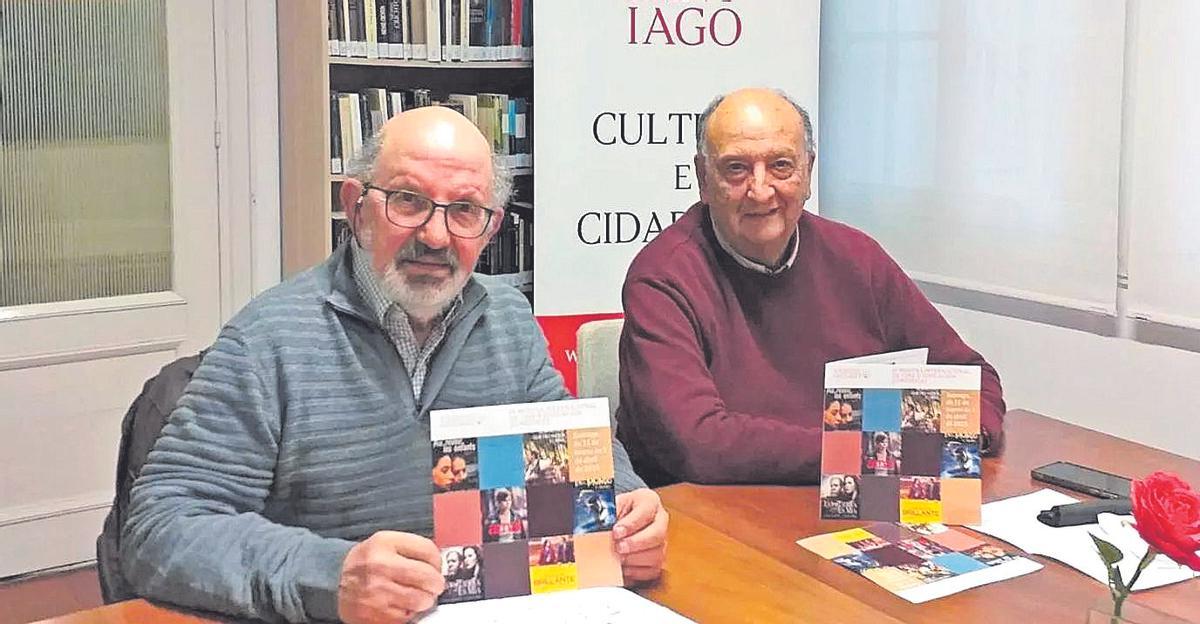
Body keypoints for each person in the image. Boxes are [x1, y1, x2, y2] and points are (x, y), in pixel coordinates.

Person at [120, 107, 668, 624]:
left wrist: (625, 504)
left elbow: (567, 441)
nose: (435, 235)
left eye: (464, 211)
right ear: (357, 206)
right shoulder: (270, 338)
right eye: (408, 200)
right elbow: (160, 527)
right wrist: (331, 576)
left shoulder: (505, 319)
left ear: (491, 228)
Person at [616, 87, 1006, 486]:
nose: (761, 189)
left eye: (781, 165)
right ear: (703, 177)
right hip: (715, 518)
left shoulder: (857, 257)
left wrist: (966, 435)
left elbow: (971, 376)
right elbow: (698, 444)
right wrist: (869, 449)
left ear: (808, 171)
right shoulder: (663, 278)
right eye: (736, 168)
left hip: (853, 499)